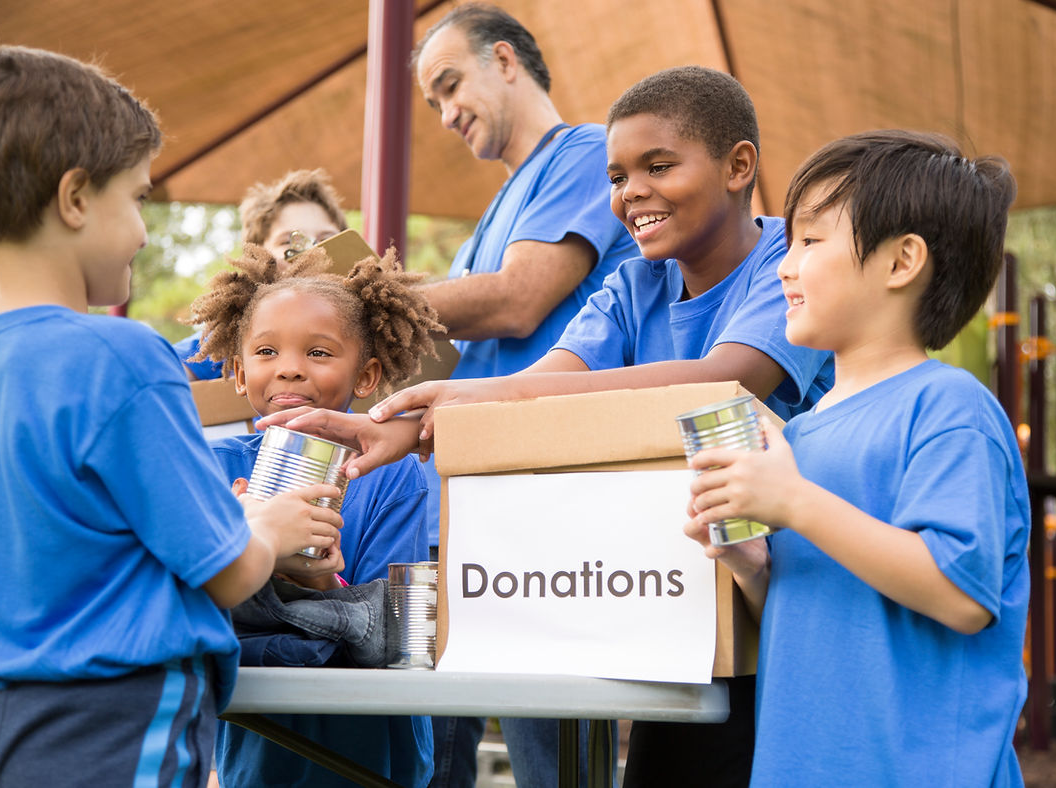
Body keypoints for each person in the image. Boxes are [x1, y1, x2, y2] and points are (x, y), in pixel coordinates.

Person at [259, 66, 835, 786]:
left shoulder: (793, 261)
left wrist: (471, 405)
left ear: (738, 167)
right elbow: (538, 386)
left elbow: (726, 382)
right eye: (619, 177)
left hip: (782, 608)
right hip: (669, 597)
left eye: (658, 167)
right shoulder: (632, 284)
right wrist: (409, 423)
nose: (631, 194)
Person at [0, 44, 341, 788]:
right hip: (116, 725)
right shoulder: (126, 358)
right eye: (137, 198)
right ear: (76, 198)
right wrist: (270, 527)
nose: (144, 231)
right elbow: (229, 572)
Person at [683, 130, 1027, 785]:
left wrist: (793, 503)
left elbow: (960, 594)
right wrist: (752, 566)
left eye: (811, 242)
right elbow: (816, 609)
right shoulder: (801, 435)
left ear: (902, 262)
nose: (785, 266)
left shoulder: (949, 405)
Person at [411, 4, 638, 785]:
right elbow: (450, 333)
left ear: (505, 60)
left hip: (543, 499)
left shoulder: (581, 154)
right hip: (465, 499)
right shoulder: (493, 213)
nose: (444, 115)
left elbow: (516, 300)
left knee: (555, 753)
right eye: (432, 102)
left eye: (450, 85)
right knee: (440, 743)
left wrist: (378, 297)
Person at [186, 244, 443, 788]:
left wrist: (321, 577)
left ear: (368, 375)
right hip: (261, 748)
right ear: (236, 372)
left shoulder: (392, 473)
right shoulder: (211, 470)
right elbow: (195, 619)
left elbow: (407, 640)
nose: (290, 371)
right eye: (265, 352)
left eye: (320, 353)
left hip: (371, 753)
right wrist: (248, 546)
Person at [175, 167, 349, 380]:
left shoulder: (366, 334)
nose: (310, 251)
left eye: (325, 240)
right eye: (289, 241)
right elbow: (164, 375)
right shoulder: (233, 335)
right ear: (257, 256)